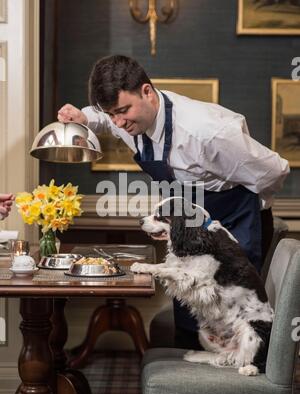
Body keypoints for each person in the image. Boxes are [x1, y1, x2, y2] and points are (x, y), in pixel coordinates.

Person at [58, 55, 289, 349]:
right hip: (188, 229)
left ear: (147, 92)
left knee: (231, 326)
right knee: (190, 318)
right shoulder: (129, 119)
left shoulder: (206, 132)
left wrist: (240, 212)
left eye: (123, 111)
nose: (118, 123)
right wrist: (85, 118)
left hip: (233, 224)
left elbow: (274, 171)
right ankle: (186, 379)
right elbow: (105, 119)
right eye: (112, 113)